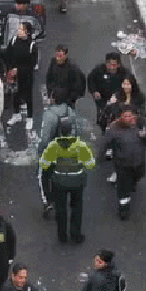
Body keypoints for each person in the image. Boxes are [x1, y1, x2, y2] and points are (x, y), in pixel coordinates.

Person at [38, 90, 96, 243]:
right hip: (77, 180)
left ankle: (62, 235)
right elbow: (90, 164)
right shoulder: (80, 146)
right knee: (77, 208)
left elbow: (44, 164)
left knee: (61, 209)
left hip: (59, 181)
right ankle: (76, 234)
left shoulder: (54, 146)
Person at [103, 106, 146, 219]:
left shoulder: (142, 123)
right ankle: (124, 210)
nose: (128, 118)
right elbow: (106, 143)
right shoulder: (114, 128)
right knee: (123, 188)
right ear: (121, 117)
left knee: (139, 175)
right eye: (125, 116)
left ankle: (132, 183)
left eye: (130, 115)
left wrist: (145, 135)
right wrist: (102, 154)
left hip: (138, 162)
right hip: (122, 164)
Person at [3, 21, 39, 124]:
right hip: (14, 75)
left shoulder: (32, 46)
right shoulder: (14, 41)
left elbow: (32, 64)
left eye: (21, 29)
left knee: (28, 96)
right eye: (18, 29)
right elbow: (8, 56)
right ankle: (16, 114)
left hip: (27, 75)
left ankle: (29, 117)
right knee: (16, 95)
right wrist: (10, 69)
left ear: (27, 32)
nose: (18, 31)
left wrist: (18, 70)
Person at [88, 52, 135, 125]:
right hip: (102, 99)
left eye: (114, 65)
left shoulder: (125, 73)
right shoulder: (98, 70)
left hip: (118, 101)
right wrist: (94, 91)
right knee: (102, 118)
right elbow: (91, 80)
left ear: (118, 65)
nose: (111, 67)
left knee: (118, 119)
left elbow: (130, 88)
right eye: (109, 64)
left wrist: (117, 96)